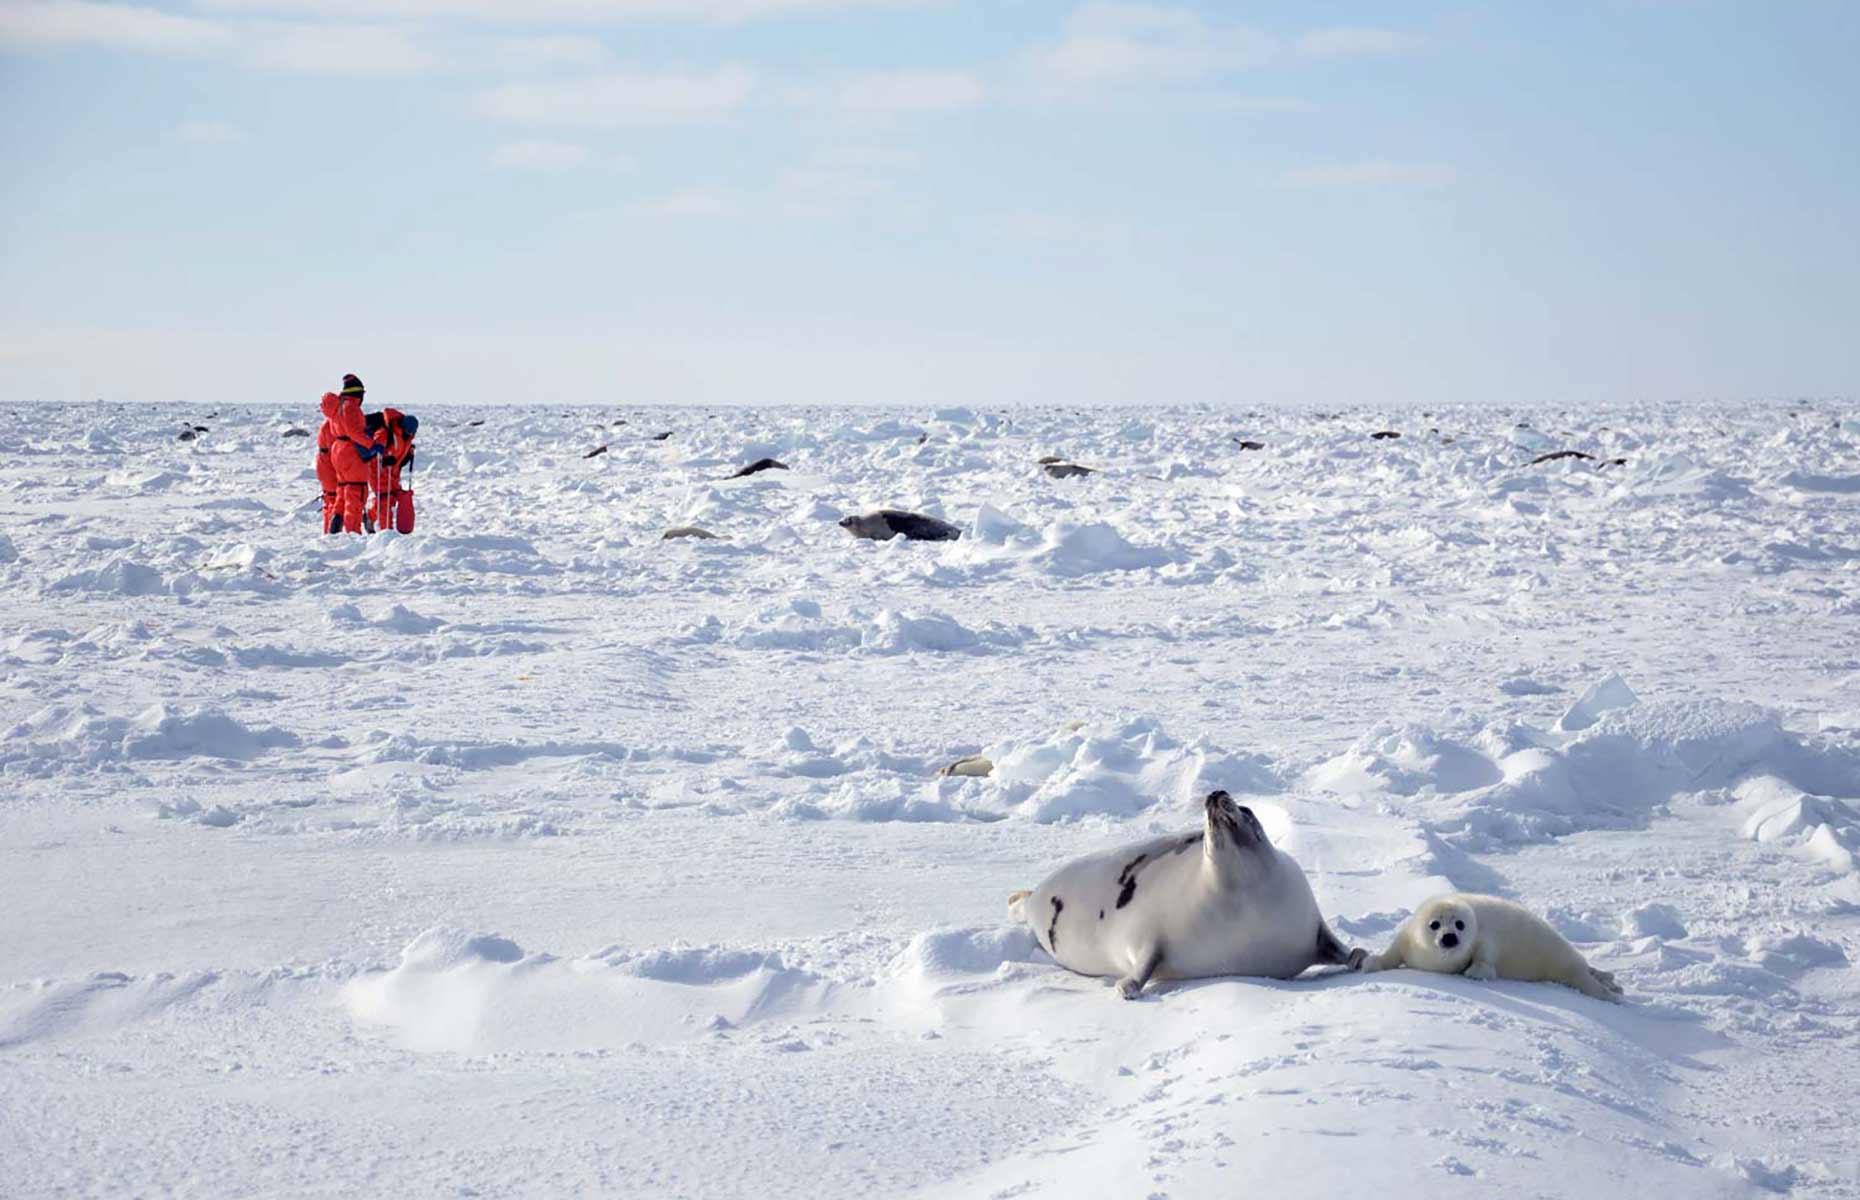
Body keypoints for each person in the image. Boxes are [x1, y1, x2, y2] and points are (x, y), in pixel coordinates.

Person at [322, 374, 379, 535]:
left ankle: (335, 528)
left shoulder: (337, 407)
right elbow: (354, 432)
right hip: (351, 452)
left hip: (337, 451)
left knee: (342, 491)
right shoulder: (351, 407)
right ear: (358, 393)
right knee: (356, 492)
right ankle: (353, 534)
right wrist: (372, 445)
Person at [315, 395, 341, 532]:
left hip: (324, 464)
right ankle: (330, 533)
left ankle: (328, 530)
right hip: (329, 465)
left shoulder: (328, 424)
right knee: (333, 499)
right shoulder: (331, 426)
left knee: (330, 499)